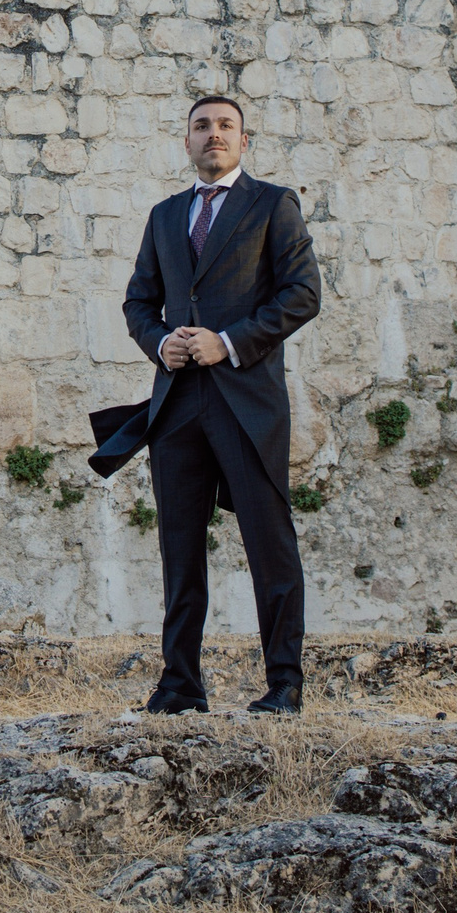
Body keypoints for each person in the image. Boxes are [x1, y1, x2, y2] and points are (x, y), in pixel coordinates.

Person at [95, 95, 320, 714]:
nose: (213, 134)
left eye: (225, 126)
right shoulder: (165, 215)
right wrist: (159, 341)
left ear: (244, 141)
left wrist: (229, 342)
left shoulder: (272, 204)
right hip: (177, 405)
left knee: (269, 544)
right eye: (201, 126)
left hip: (247, 401)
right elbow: (138, 302)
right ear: (187, 141)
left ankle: (284, 685)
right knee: (179, 549)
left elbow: (303, 294)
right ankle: (180, 684)